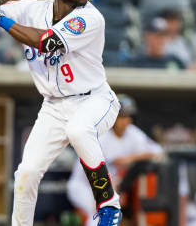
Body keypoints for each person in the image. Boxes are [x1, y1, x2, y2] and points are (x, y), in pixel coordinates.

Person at [0, 0, 124, 226]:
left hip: (93, 99)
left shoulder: (91, 18)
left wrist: (0, 17)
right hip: (54, 106)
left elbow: (46, 42)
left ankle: (109, 205)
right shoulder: (33, 10)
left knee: (79, 129)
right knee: (26, 174)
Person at [67, 94, 162, 226]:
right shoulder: (100, 134)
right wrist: (139, 157)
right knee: (98, 216)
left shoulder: (133, 133)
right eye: (122, 117)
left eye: (128, 117)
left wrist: (139, 157)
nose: (125, 121)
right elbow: (117, 161)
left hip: (109, 184)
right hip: (84, 185)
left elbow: (157, 151)